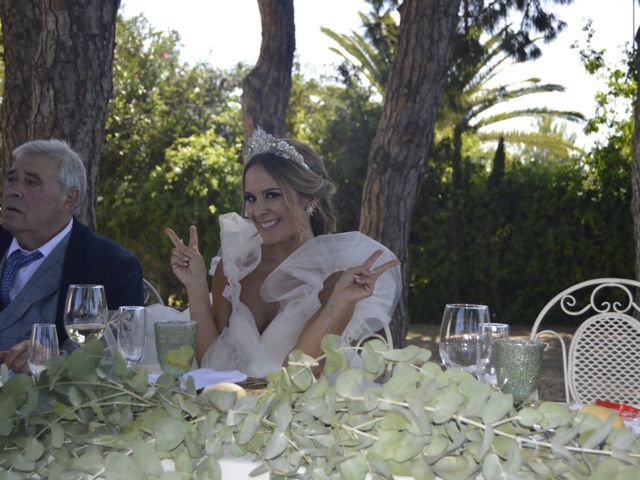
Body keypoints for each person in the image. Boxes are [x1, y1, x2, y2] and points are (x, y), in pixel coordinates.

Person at [166, 128, 401, 378]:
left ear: (309, 198)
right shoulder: (233, 268)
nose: (258, 210)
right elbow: (210, 365)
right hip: (230, 410)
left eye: (272, 195)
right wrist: (196, 286)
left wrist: (340, 302)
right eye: (251, 198)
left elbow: (300, 376)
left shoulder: (337, 276)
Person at [0, 139, 144, 373]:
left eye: (31, 183)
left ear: (70, 198)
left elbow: (110, 357)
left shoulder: (112, 266)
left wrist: (53, 364)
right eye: (11, 179)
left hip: (48, 405)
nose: (14, 191)